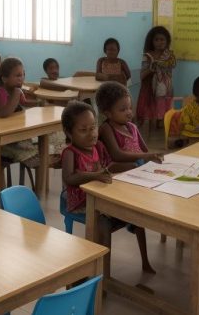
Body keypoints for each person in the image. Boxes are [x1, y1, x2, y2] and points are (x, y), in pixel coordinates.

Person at [60, 101, 154, 273]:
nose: (91, 134)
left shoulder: (98, 147)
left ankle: (145, 262)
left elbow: (108, 166)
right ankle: (104, 274)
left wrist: (134, 167)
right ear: (69, 133)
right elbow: (69, 178)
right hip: (81, 202)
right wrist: (95, 175)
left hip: (100, 196)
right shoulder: (70, 153)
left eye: (93, 128)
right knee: (103, 222)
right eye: (83, 130)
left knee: (136, 212)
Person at [96, 82, 162, 164]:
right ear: (108, 113)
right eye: (123, 110)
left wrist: (151, 156)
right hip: (121, 170)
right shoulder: (107, 128)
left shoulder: (132, 127)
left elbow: (145, 151)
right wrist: (144, 157)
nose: (129, 112)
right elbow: (116, 155)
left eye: (130, 108)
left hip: (137, 168)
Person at [136, 26, 176, 135]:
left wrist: (161, 64)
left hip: (166, 89)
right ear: (151, 41)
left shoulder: (169, 56)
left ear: (167, 41)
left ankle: (162, 137)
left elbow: (170, 69)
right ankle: (148, 138)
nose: (159, 42)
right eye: (156, 40)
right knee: (150, 115)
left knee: (164, 114)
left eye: (162, 39)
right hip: (150, 90)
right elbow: (142, 75)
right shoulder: (147, 56)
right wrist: (152, 68)